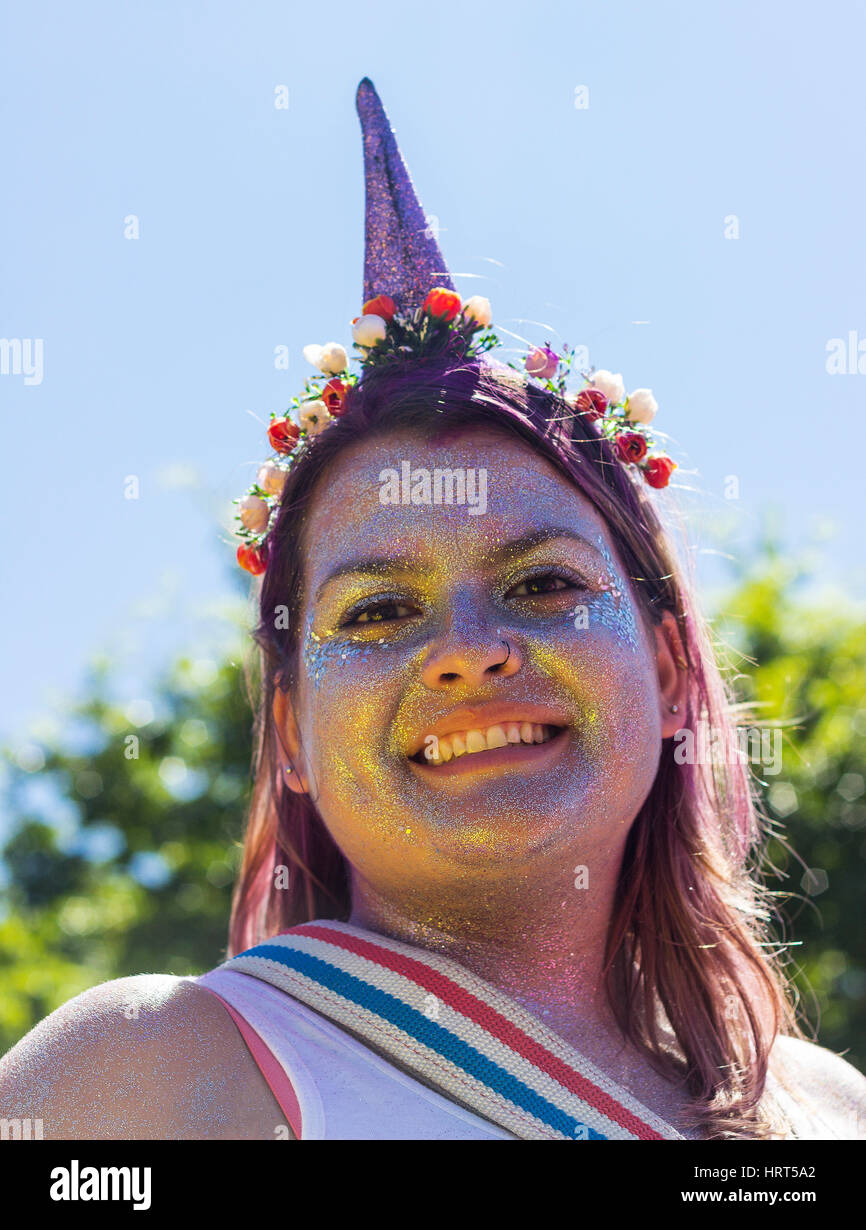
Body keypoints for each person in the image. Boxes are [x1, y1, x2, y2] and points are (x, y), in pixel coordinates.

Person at [2, 80, 864, 1141]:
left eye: (543, 584)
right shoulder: (144, 1077)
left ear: (675, 672)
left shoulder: (825, 1110)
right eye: (374, 613)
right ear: (289, 735)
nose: (464, 652)